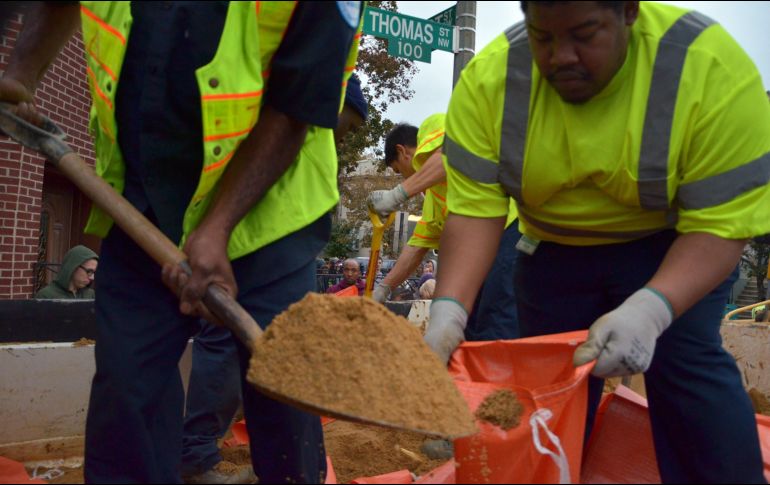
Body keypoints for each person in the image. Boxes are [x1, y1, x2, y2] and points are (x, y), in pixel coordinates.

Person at [0, 2, 362, 483]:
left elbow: (298, 104)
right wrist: (20, 73)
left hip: (270, 213)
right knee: (127, 392)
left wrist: (216, 229)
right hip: (141, 204)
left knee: (283, 397)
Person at [429, 1, 770, 482]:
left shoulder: (709, 70)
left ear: (628, 11)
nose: (561, 56)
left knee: (685, 369)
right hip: (552, 253)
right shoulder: (490, 82)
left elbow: (722, 225)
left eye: (584, 34)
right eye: (543, 37)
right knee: (544, 393)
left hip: (673, 249)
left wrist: (650, 311)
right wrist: (450, 309)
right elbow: (476, 210)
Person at [180, 67, 370, 484]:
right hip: (248, 231)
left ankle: (277, 469)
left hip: (267, 231)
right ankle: (195, 455)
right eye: (344, 126)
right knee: (233, 347)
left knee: (265, 355)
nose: (341, 138)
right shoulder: (292, 109)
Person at [369, 115, 521, 340]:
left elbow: (451, 155)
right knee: (470, 323)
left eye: (398, 169)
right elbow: (416, 247)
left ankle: (498, 372)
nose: (402, 176)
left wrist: (397, 194)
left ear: (402, 151)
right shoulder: (433, 197)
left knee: (497, 317)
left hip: (506, 229)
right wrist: (383, 289)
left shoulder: (433, 127)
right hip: (478, 247)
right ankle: (470, 372)